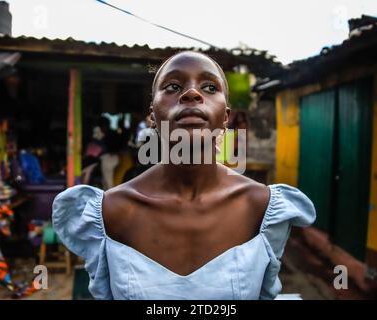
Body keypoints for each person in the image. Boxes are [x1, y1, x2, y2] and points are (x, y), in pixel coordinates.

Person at [52, 51, 316, 300]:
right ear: (152, 116)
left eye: (210, 88)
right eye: (173, 87)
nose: (192, 93)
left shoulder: (261, 207)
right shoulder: (111, 211)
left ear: (225, 117)